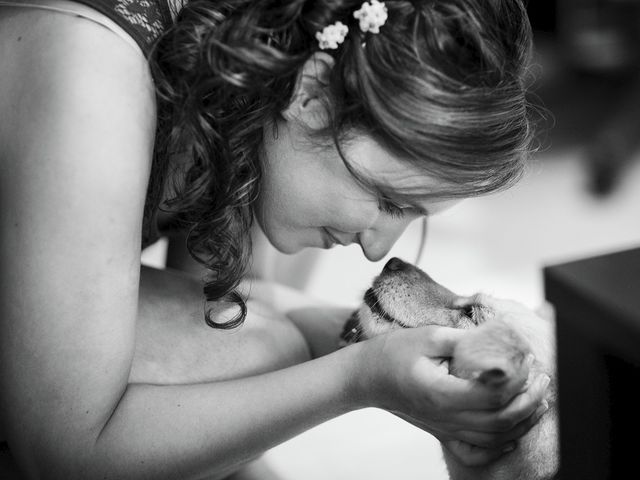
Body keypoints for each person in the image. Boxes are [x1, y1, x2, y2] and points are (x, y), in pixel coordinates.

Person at [0, 0, 550, 478]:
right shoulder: (93, 82)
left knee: (256, 329)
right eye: (386, 200)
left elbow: (214, 324)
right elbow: (63, 454)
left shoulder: (248, 91)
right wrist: (359, 379)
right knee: (268, 346)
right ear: (312, 96)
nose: (379, 251)